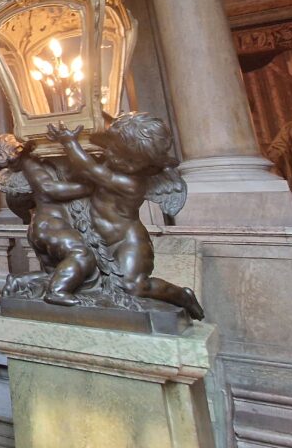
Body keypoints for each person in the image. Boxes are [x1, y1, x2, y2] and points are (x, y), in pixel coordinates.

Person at [49, 115, 204, 319]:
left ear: (144, 164)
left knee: (134, 285)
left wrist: (69, 142)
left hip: (128, 241)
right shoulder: (116, 163)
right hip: (100, 239)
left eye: (122, 156)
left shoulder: (130, 183)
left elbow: (89, 169)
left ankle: (182, 295)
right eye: (111, 148)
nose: (111, 155)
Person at [0, 135, 96, 305]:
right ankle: (57, 292)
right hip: (51, 225)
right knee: (82, 255)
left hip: (40, 226)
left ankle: (17, 282)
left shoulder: (29, 163)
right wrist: (88, 188)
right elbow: (48, 188)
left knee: (54, 273)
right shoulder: (30, 163)